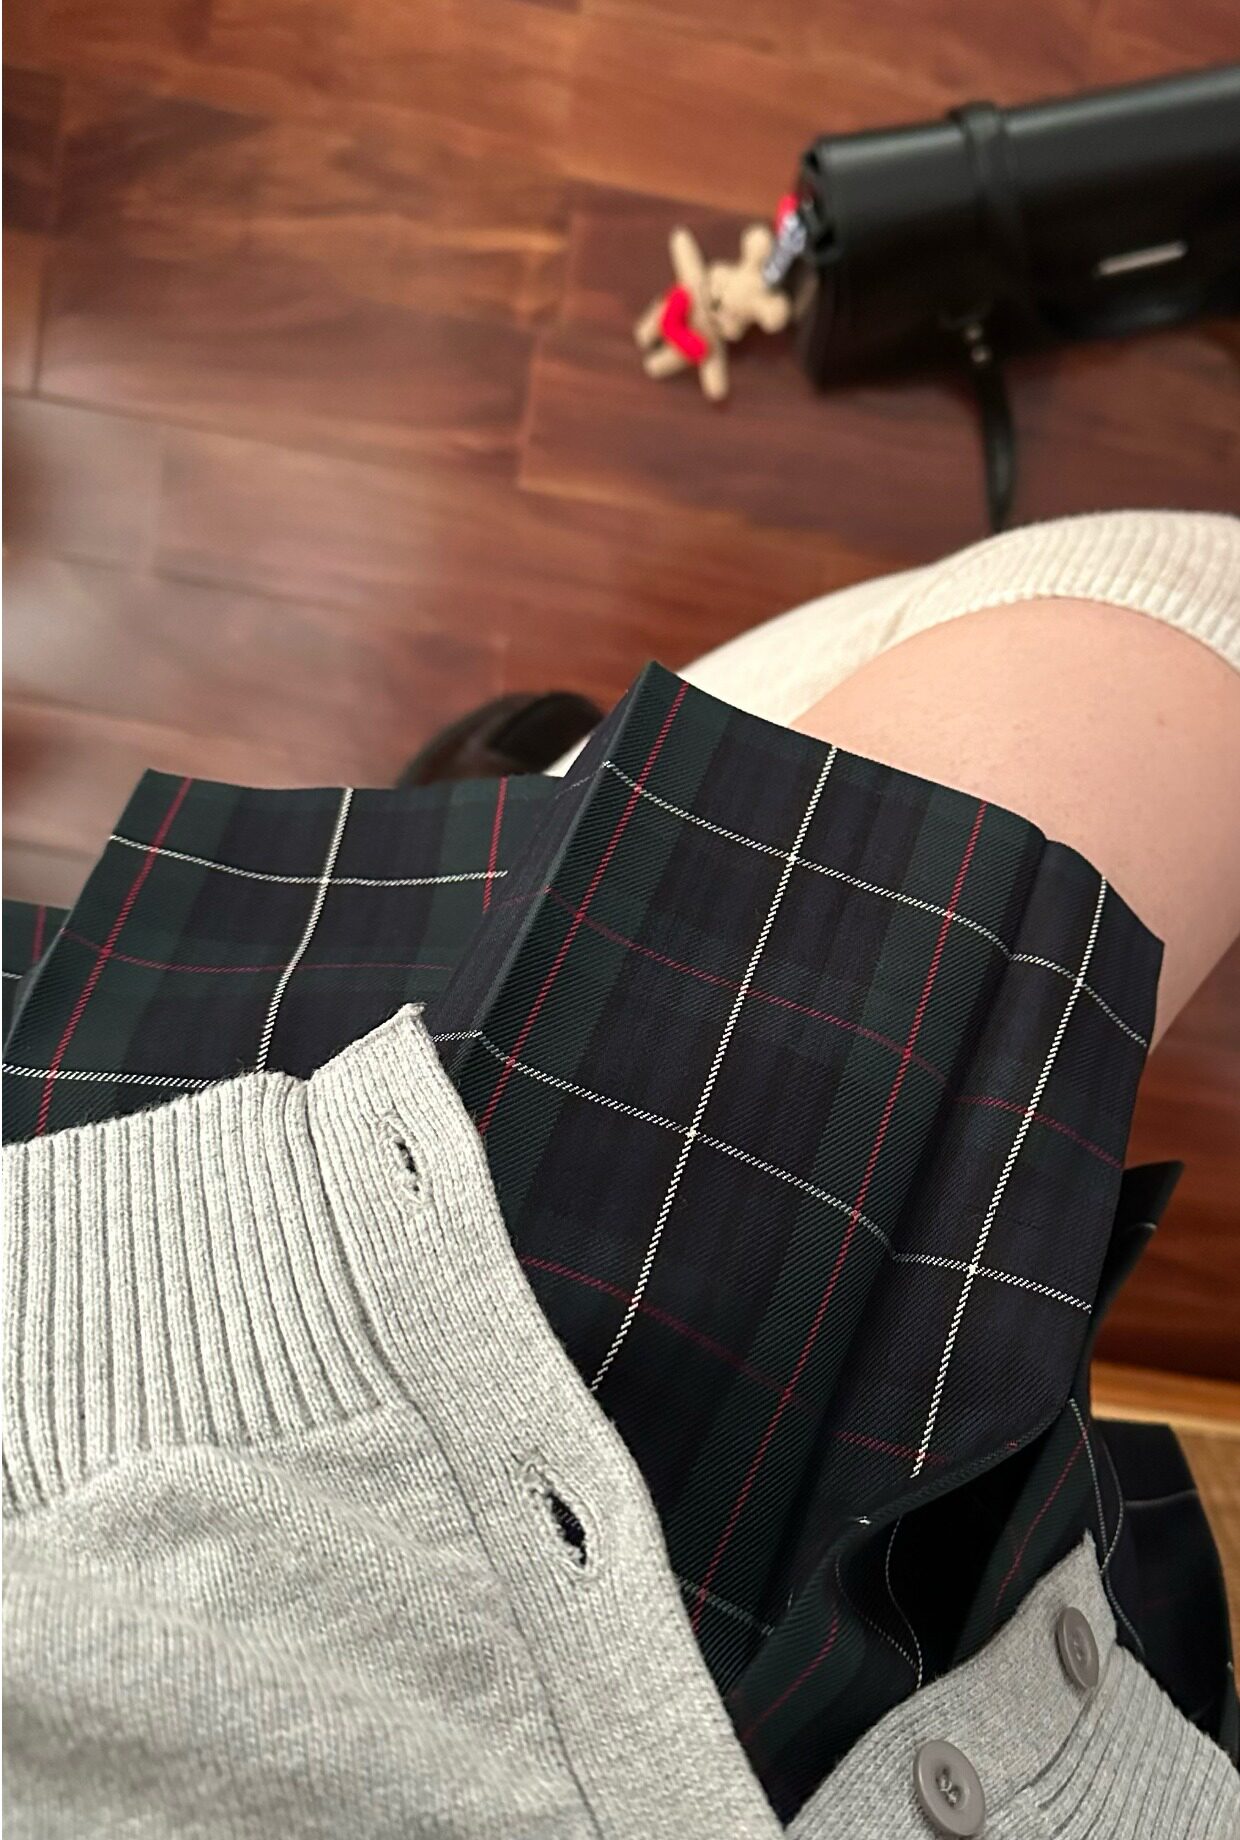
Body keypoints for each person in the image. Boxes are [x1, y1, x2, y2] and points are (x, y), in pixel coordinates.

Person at [5, 510, 1239, 1837]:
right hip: (640, 1666)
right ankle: (527, 825)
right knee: (1165, 609)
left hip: (191, 1432)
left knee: (1110, 636)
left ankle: (523, 836)